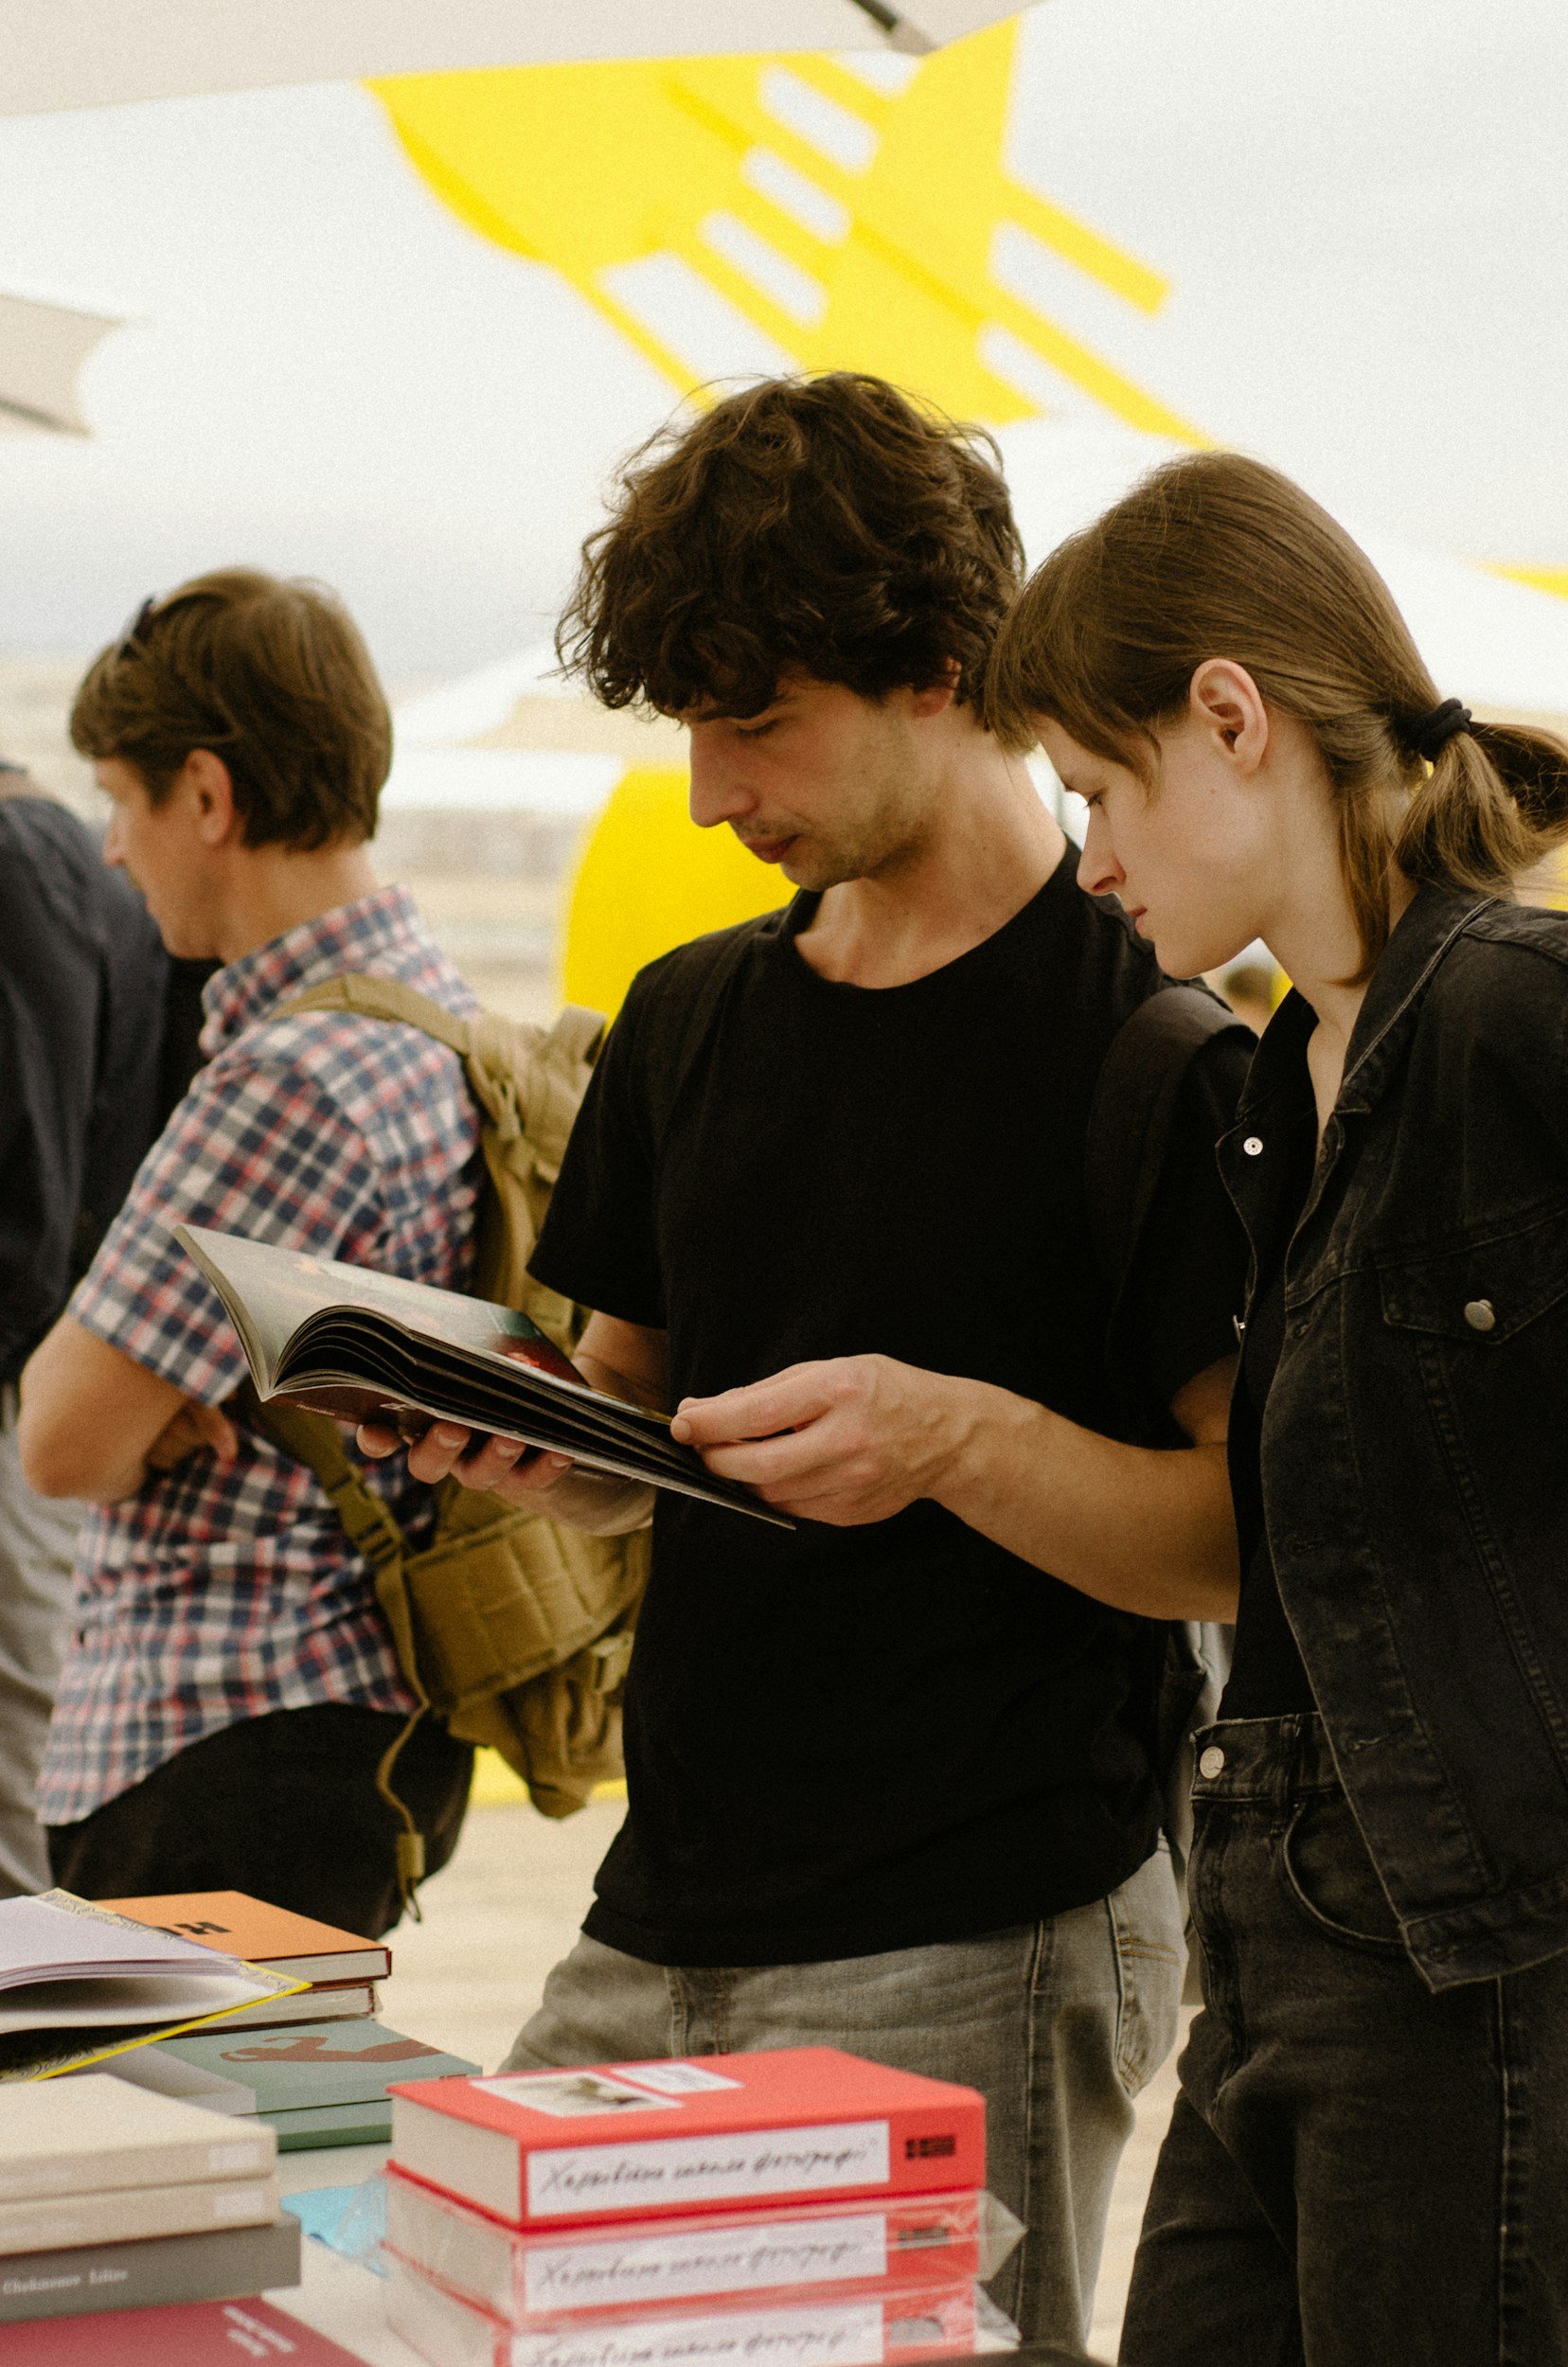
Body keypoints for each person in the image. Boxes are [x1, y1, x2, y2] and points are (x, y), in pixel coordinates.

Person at [368, 374, 1253, 2346]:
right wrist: (533, 1440)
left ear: (942, 669)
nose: (708, 789)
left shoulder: (1154, 1048)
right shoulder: (687, 1017)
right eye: (688, 723)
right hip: (664, 1893)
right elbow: (633, 1414)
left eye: (754, 719)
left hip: (990, 1918)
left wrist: (950, 1438)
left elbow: (1232, 1539)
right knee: (429, 2308)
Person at [984, 447, 1568, 2366]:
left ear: (1228, 715)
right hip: (1268, 1942)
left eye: (1097, 790)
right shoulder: (1270, 1081)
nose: (1090, 861)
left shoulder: (1514, 1012)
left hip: (1477, 1968)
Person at [17, 572, 482, 1936]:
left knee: (185, 2094)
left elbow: (60, 1437)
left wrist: (132, 1401)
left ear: (209, 797)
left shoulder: (293, 1075)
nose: (112, 849)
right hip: (353, 1718)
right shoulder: (432, 1018)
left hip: (220, 1733)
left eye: (123, 800)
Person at [0, 760, 176, 1895]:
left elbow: (30, 1183)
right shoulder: (61, 853)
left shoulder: (16, 861)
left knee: (13, 1784)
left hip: (28, 1407)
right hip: (55, 1386)